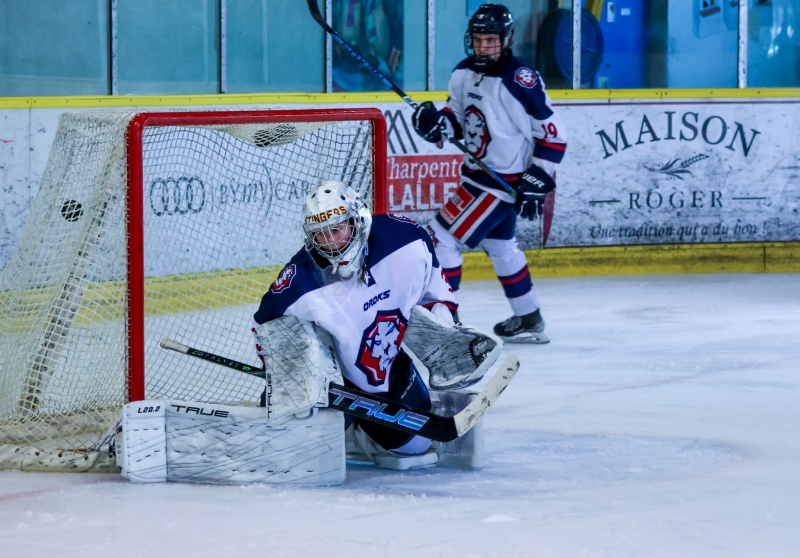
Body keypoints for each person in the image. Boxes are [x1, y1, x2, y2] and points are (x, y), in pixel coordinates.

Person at [251, 180, 463, 470]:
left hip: (386, 369)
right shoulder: (299, 282)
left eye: (335, 230)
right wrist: (293, 372)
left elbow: (434, 283)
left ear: (356, 220)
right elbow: (264, 327)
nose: (330, 242)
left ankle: (364, 435)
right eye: (320, 235)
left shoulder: (403, 239)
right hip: (334, 389)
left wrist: (443, 316)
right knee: (300, 451)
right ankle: (344, 426)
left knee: (417, 446)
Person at [411, 3, 567, 343]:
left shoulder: (519, 79)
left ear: (506, 39)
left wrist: (539, 177)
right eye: (479, 39)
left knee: (441, 238)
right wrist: (439, 123)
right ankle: (529, 316)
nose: (484, 47)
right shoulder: (462, 72)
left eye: (491, 40)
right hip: (477, 176)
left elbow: (553, 134)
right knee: (501, 247)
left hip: (499, 183)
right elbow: (456, 114)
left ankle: (446, 320)